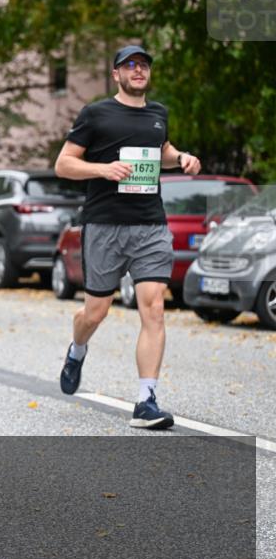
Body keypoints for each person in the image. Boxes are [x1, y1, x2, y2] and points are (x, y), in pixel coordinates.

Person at [55, 44, 201, 429]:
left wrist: (181, 157)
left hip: (150, 224)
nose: (138, 70)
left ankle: (146, 400)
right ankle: (77, 349)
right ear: (116, 74)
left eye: (144, 65)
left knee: (153, 307)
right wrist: (104, 170)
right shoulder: (96, 114)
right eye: (130, 65)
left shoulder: (158, 114)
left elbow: (162, 150)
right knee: (95, 312)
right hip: (105, 226)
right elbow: (64, 164)